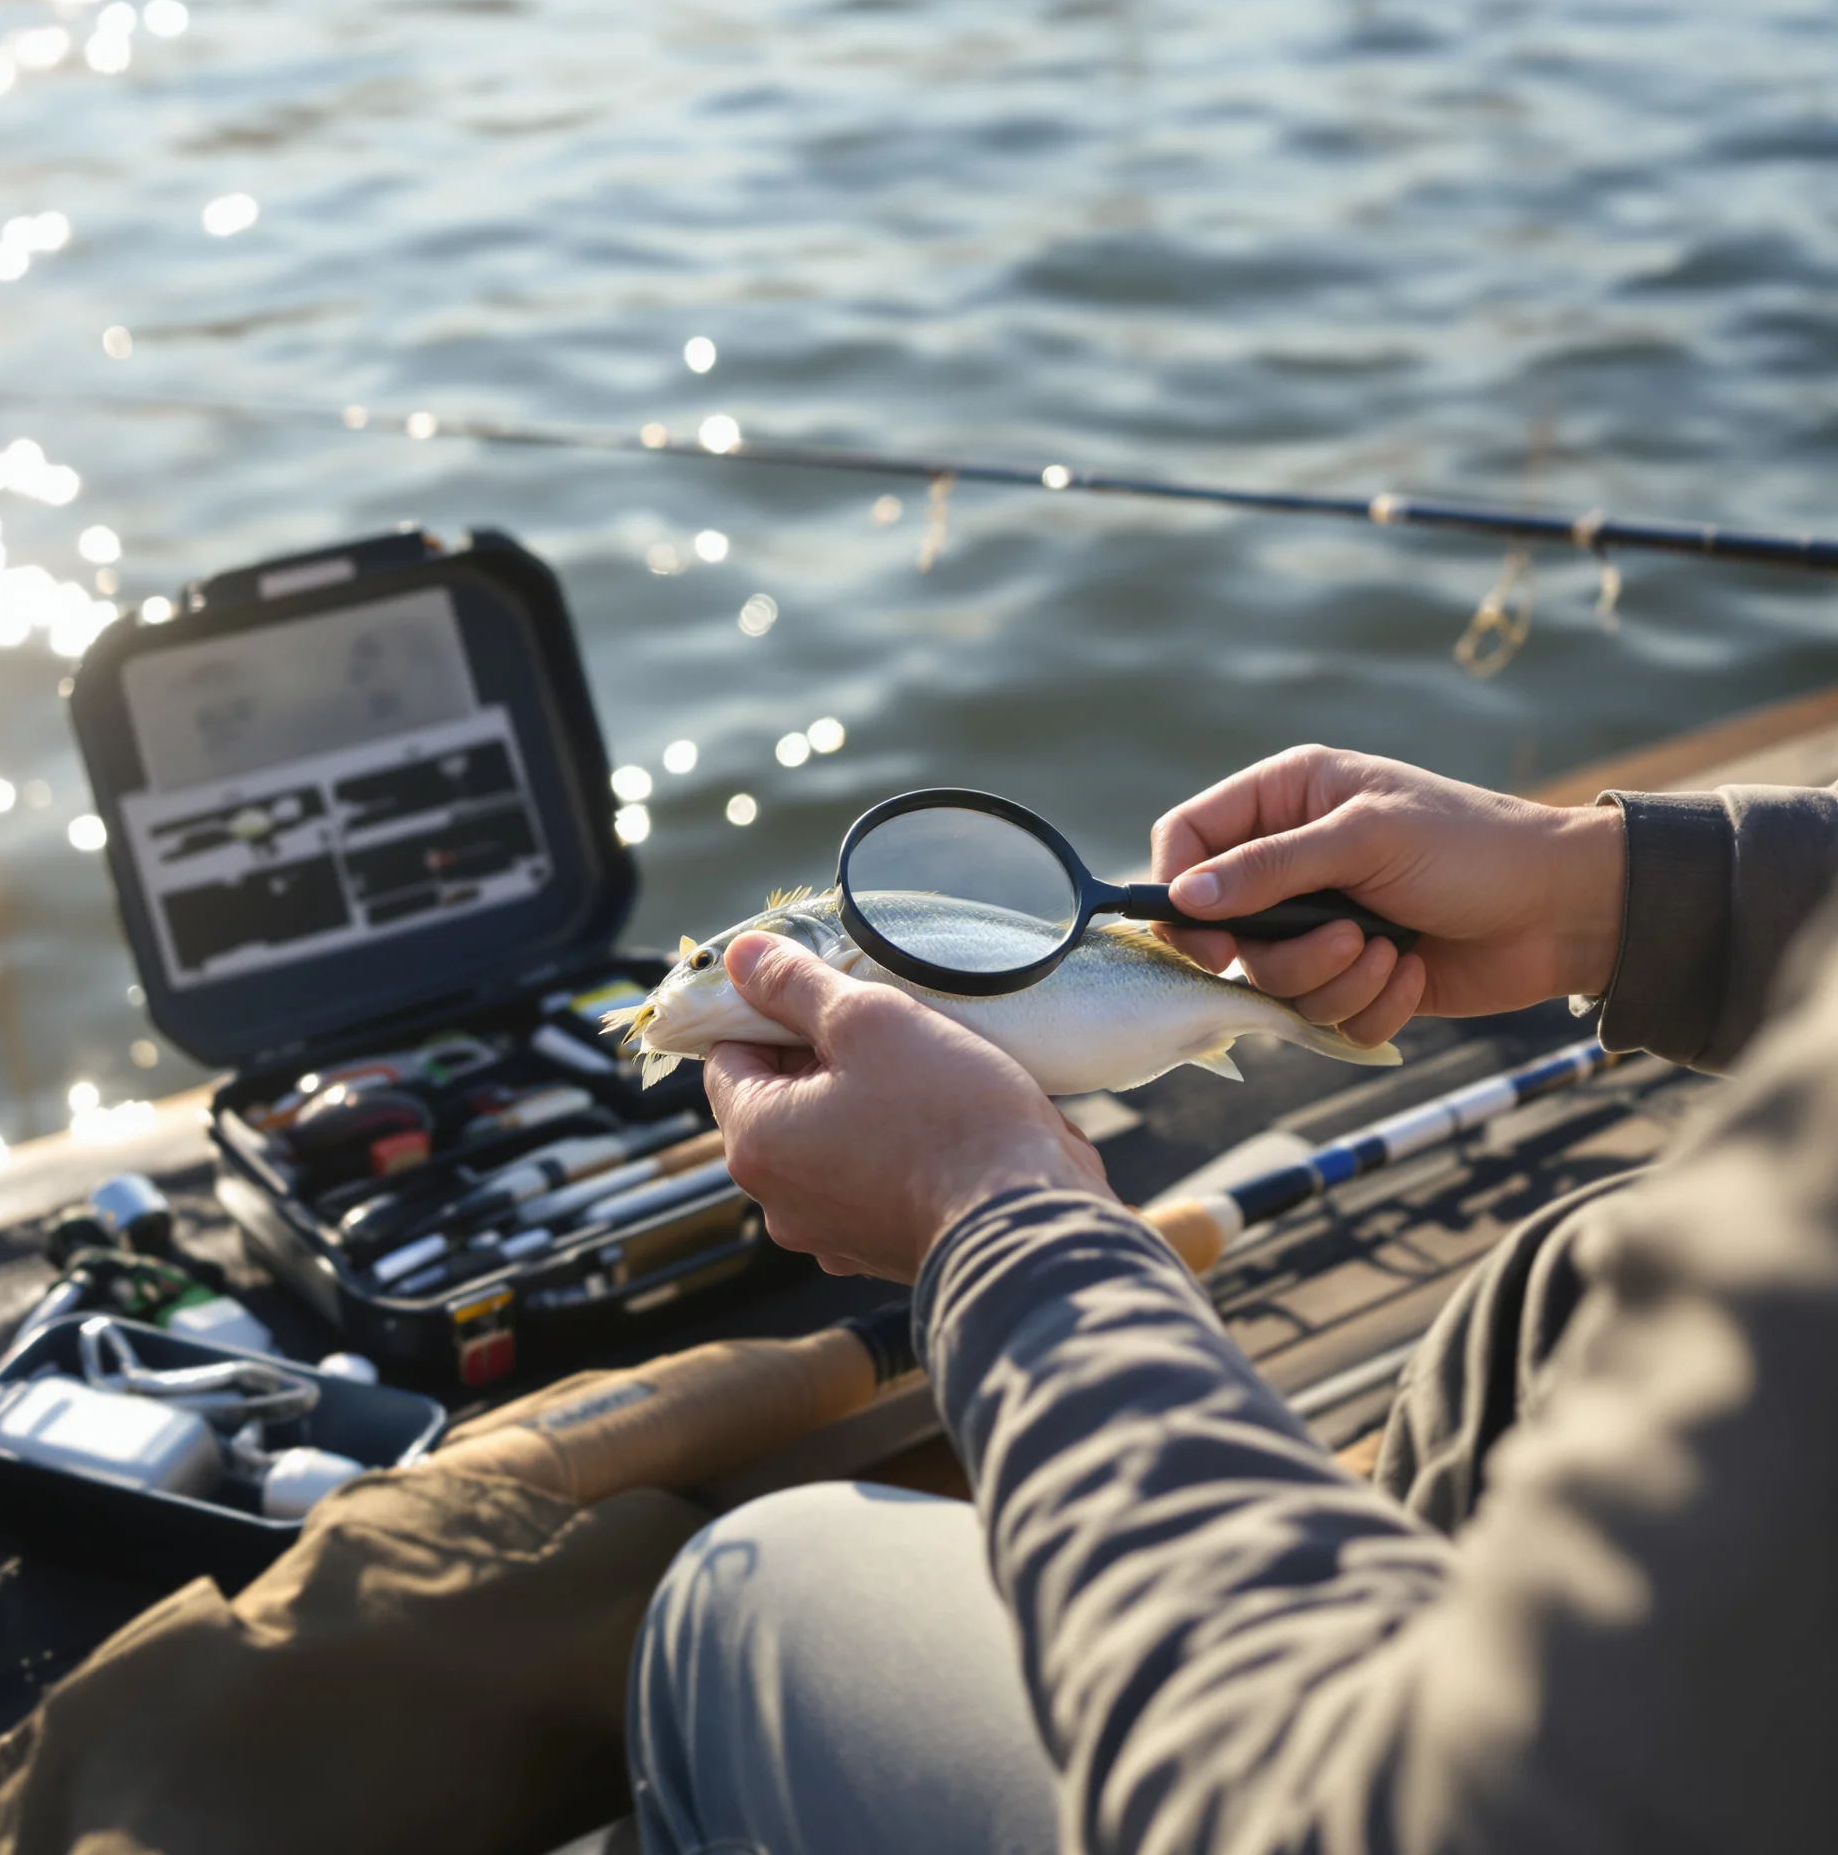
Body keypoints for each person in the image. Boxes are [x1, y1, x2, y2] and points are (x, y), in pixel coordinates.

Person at [626, 746, 1838, 1855]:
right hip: (1511, 1569)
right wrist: (1606, 889)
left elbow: (1333, 1809)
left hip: (1360, 1743)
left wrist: (988, 1208)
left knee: (734, 1596)